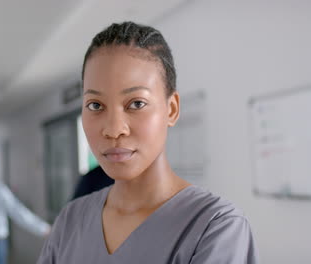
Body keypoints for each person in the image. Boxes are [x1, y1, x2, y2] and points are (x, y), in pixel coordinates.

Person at [37, 21, 258, 263]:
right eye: (96, 105)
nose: (113, 129)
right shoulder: (71, 220)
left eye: (137, 104)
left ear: (171, 110)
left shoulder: (214, 226)